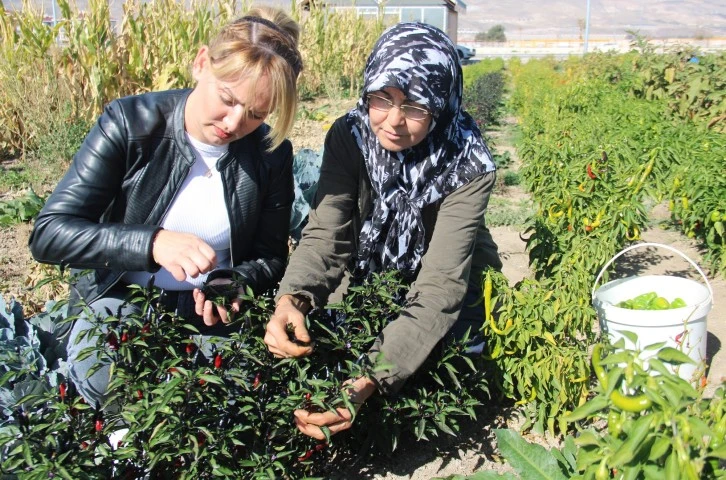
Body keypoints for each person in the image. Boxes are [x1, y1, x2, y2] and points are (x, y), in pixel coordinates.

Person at [28, 5, 303, 408]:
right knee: (109, 372)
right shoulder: (130, 123)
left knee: (237, 396)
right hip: (123, 304)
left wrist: (233, 284)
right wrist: (152, 243)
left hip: (211, 319)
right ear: (201, 63)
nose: (233, 122)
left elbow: (269, 257)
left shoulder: (268, 153)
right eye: (227, 98)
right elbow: (49, 233)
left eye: (257, 113)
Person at [263, 22, 502, 440]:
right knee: (321, 348)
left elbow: (440, 285)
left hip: (448, 275)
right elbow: (326, 233)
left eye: (415, 107)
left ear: (441, 106)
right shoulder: (350, 135)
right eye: (382, 98)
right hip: (370, 265)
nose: (393, 121)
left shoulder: (468, 164)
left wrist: (370, 377)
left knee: (452, 379)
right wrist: (293, 297)